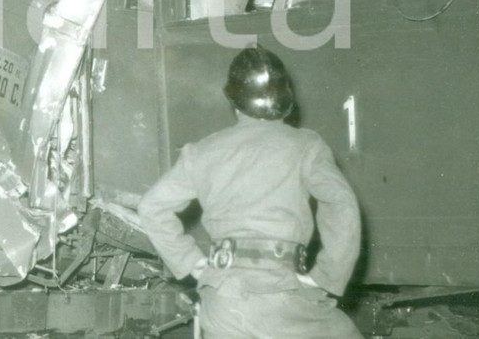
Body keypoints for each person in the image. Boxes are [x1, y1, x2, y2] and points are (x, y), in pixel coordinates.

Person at [137, 47, 362, 339]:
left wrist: (191, 262)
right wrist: (325, 276)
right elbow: (341, 203)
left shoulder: (202, 151)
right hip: (284, 294)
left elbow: (151, 207)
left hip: (223, 298)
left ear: (234, 102)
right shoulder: (306, 146)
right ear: (286, 99)